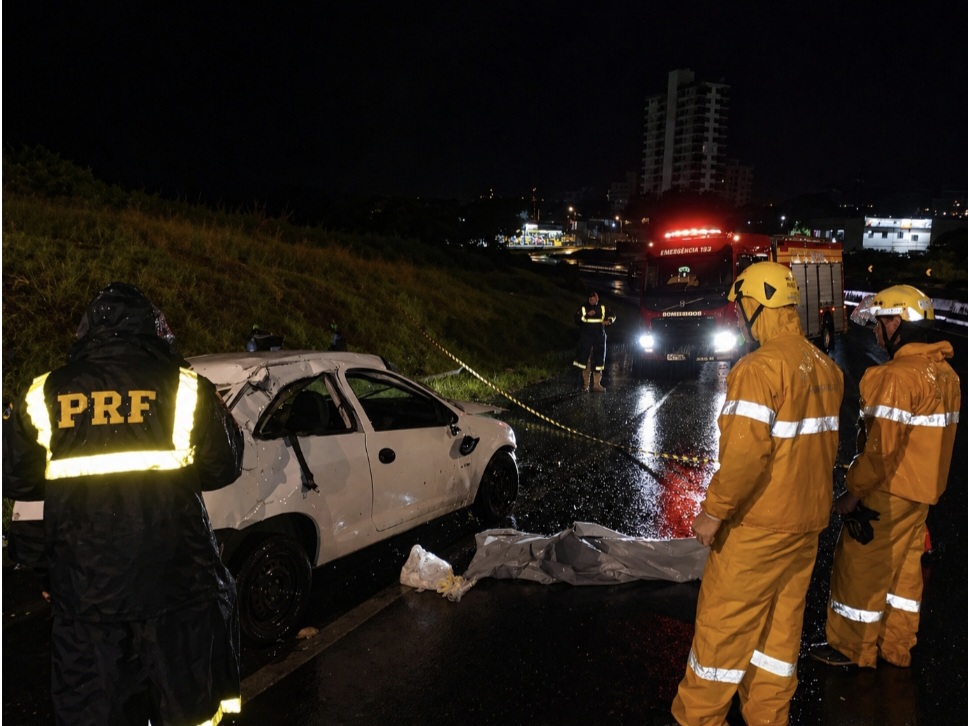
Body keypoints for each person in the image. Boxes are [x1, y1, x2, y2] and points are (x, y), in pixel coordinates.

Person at [3, 282, 246, 726]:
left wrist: (46, 570)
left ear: (87, 332)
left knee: (95, 712)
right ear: (154, 329)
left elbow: (18, 485)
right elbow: (224, 467)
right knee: (188, 712)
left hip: (86, 601)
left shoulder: (43, 395)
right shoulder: (185, 388)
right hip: (176, 592)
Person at [671, 262, 844, 725]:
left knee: (721, 634)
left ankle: (697, 719)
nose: (737, 317)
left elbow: (746, 458)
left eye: (741, 307)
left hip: (758, 528)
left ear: (758, 306)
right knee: (778, 637)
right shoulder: (826, 368)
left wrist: (713, 513)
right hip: (805, 527)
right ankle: (768, 717)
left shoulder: (758, 369)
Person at [810, 285, 960, 669]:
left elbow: (879, 452)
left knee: (859, 569)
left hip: (887, 493)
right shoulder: (946, 375)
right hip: (921, 494)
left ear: (896, 323)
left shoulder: (895, 378)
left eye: (879, 323)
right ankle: (896, 647)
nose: (876, 332)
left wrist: (853, 493)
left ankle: (850, 649)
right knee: (904, 575)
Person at [573, 290, 616, 392]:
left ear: (597, 299)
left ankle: (597, 384)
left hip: (599, 338)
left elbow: (613, 316)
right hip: (586, 338)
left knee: (598, 360)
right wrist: (587, 315)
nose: (592, 301)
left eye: (594, 299)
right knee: (585, 360)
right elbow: (577, 319)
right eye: (590, 299)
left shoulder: (602, 307)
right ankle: (585, 385)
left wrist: (608, 321)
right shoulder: (583, 308)